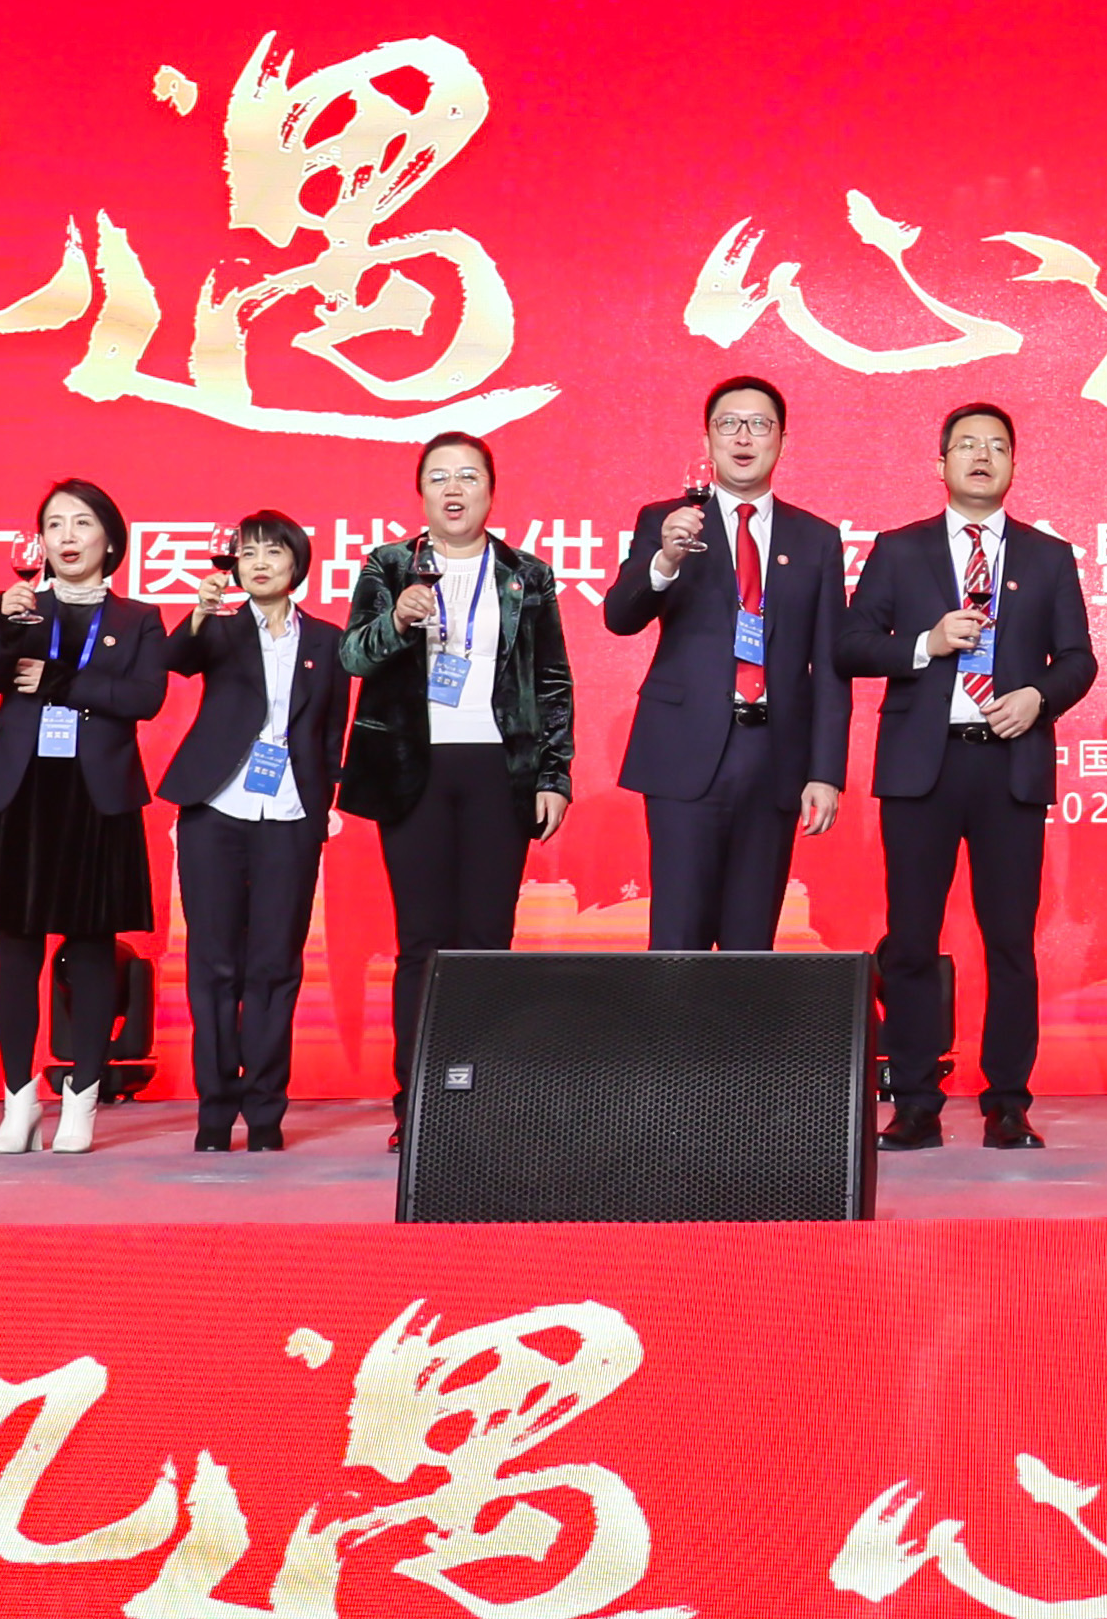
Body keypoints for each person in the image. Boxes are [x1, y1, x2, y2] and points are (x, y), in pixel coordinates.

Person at [845, 402, 1097, 1150]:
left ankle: (1008, 1103)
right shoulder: (900, 549)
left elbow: (1079, 659)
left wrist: (1038, 697)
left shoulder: (1048, 556)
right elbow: (851, 643)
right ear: (941, 463)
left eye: (997, 447)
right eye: (966, 445)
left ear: (1014, 465)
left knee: (1011, 941)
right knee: (912, 940)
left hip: (1008, 761)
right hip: (922, 766)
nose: (982, 456)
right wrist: (924, 643)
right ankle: (916, 1100)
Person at [341, 431, 575, 1151]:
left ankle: (481, 1102)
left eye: (469, 476)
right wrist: (395, 621)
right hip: (412, 768)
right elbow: (352, 655)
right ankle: (415, 1106)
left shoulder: (526, 574)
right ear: (421, 492)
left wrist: (554, 775)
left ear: (490, 492)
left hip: (497, 770)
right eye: (439, 476)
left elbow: (553, 681)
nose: (454, 489)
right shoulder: (388, 565)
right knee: (422, 942)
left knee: (486, 942)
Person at [0, 478, 168, 1157]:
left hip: (93, 793)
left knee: (92, 951)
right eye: (54, 525)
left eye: (82, 523)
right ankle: (18, 1102)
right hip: (18, 791)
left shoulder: (138, 618)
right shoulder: (20, 604)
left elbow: (145, 698)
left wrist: (63, 684)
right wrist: (4, 623)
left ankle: (82, 1099)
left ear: (110, 539)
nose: (67, 537)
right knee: (14, 954)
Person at [602, 374, 850, 951]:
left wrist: (825, 772)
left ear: (782, 440)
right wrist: (665, 561)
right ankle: (673, 1019)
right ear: (707, 440)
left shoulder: (815, 539)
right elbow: (619, 616)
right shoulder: (668, 521)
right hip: (684, 750)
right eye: (729, 424)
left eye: (759, 425)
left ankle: (742, 1019)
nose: (743, 437)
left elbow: (830, 664)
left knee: (750, 943)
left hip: (774, 755)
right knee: (678, 936)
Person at [159, 511, 349, 1152]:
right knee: (213, 965)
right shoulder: (219, 628)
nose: (260, 562)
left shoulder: (327, 641)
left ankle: (265, 1113)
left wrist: (324, 805)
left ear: (298, 563)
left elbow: (331, 733)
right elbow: (173, 660)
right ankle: (214, 1113)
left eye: (274, 552)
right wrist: (199, 611)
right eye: (248, 553)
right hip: (215, 809)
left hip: (291, 815)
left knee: (275, 965)